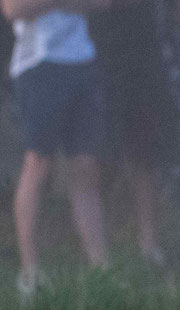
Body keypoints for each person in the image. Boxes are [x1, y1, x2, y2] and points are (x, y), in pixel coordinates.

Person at [6, 0, 110, 295]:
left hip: (82, 61)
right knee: (38, 164)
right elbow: (13, 9)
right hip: (38, 65)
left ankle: (101, 271)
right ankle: (30, 273)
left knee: (86, 167)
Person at [88, 0, 175, 266]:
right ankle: (97, 244)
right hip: (99, 59)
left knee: (144, 157)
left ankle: (149, 244)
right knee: (101, 159)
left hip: (143, 59)